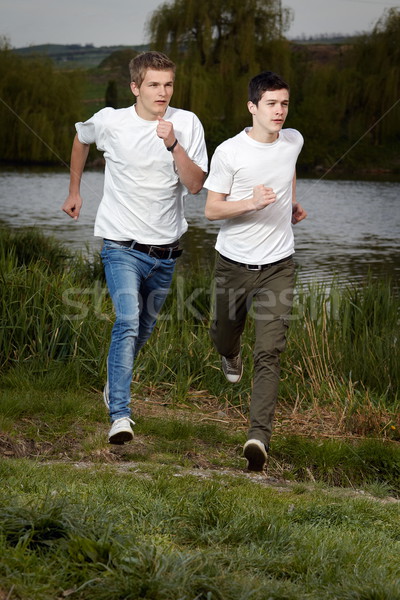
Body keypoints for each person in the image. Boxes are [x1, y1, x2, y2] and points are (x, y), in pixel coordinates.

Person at [62, 51, 208, 444]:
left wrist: (174, 143)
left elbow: (195, 185)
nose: (163, 92)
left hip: (166, 253)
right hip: (121, 245)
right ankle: (120, 416)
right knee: (127, 321)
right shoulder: (111, 121)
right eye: (154, 84)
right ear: (135, 87)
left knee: (142, 329)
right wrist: (75, 190)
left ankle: (113, 384)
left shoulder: (187, 123)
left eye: (168, 84)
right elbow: (80, 138)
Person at [204, 70, 306, 471]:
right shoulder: (230, 152)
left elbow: (289, 167)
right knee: (224, 333)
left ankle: (257, 438)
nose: (279, 111)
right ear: (252, 107)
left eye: (284, 104)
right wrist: (251, 202)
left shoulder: (293, 140)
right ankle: (229, 354)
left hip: (279, 266)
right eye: (271, 104)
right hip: (233, 264)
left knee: (269, 351)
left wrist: (291, 202)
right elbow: (212, 209)